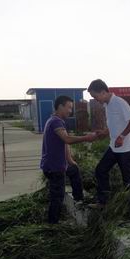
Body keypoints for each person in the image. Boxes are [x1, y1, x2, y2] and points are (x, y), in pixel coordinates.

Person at [39, 95, 96, 224]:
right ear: (60, 106)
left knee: (74, 169)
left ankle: (79, 199)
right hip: (54, 167)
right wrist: (86, 138)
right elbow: (67, 139)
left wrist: (69, 160)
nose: (70, 111)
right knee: (57, 197)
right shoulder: (56, 122)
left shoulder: (55, 120)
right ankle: (52, 224)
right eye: (69, 108)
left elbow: (64, 143)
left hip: (57, 164)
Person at [87, 79, 130, 206]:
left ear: (103, 92)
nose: (96, 100)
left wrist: (122, 136)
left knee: (128, 180)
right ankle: (104, 202)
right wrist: (104, 132)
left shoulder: (119, 102)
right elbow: (116, 124)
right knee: (100, 170)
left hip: (125, 148)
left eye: (95, 96)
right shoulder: (107, 105)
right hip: (114, 146)